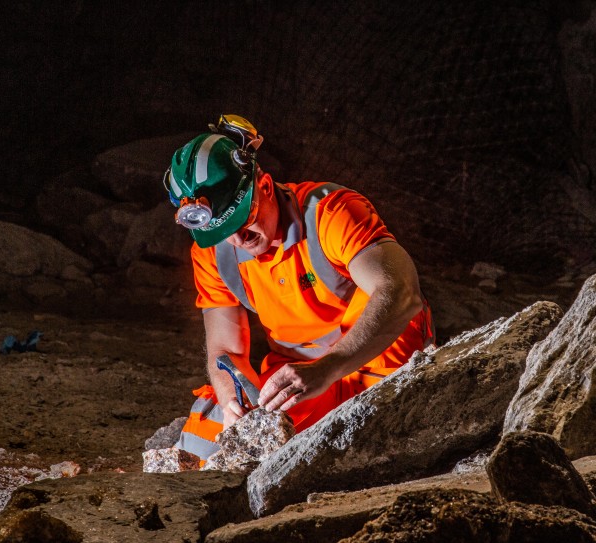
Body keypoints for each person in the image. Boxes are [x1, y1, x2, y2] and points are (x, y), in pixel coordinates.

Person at [164, 115, 434, 462]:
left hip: (379, 368)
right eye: (221, 232)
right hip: (298, 377)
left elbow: (401, 291)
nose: (238, 240)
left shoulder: (330, 212)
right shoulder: (214, 252)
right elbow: (224, 350)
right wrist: (234, 399)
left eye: (242, 221)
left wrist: (328, 368)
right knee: (203, 450)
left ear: (263, 186)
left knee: (374, 458)